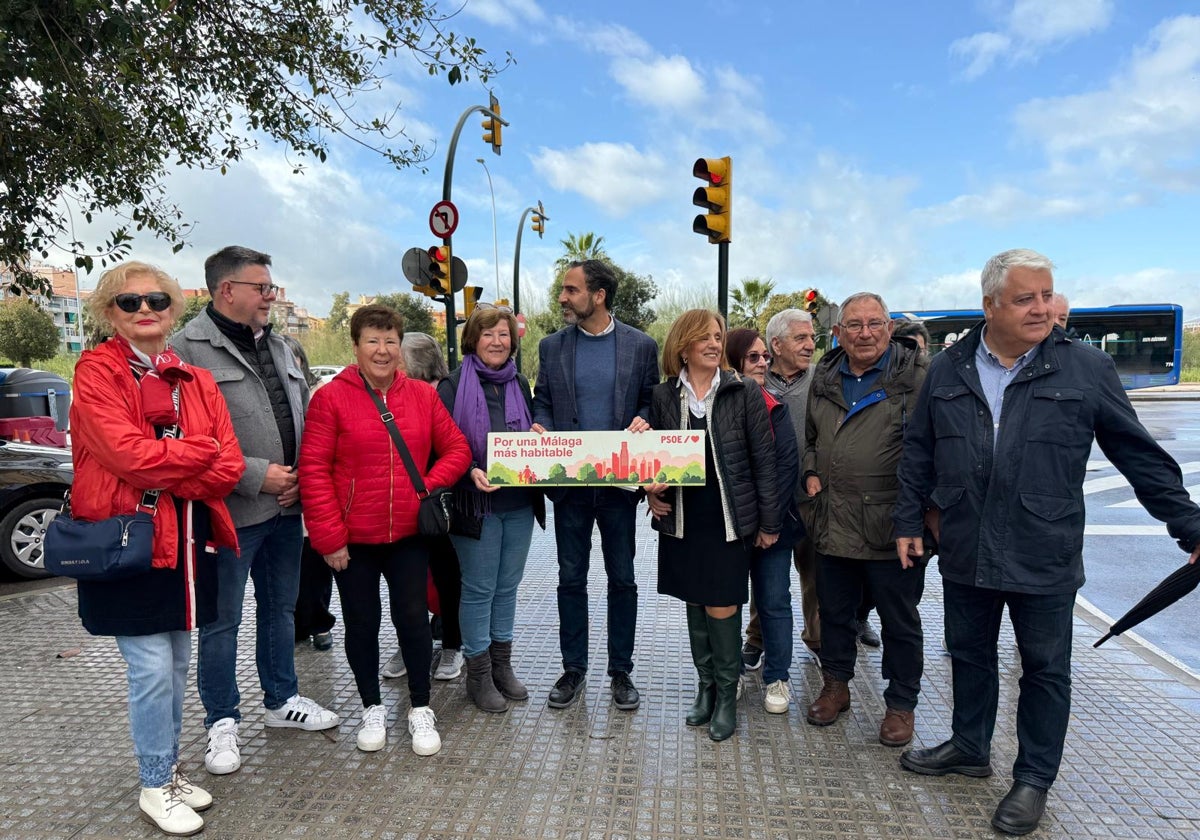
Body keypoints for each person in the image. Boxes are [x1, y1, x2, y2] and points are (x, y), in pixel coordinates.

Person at [894, 248, 1200, 836]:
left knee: (1044, 670)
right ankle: (968, 746)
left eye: (1045, 295)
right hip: (965, 545)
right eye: (1024, 299)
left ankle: (1034, 778)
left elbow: (1138, 455)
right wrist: (909, 521)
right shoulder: (949, 367)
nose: (1041, 309)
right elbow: (920, 452)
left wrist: (1190, 524)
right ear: (990, 306)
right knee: (970, 656)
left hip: (1044, 547)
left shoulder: (1084, 368)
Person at [70, 261, 244, 835]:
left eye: (157, 300)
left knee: (175, 663)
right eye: (129, 302)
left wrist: (179, 463)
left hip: (189, 540)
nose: (145, 309)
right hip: (129, 539)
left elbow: (231, 466)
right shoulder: (96, 372)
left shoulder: (194, 379)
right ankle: (152, 781)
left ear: (173, 308)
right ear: (108, 312)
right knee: (149, 669)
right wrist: (197, 453)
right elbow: (126, 456)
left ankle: (167, 772)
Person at [174, 246, 339, 777]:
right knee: (222, 621)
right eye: (262, 287)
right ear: (227, 291)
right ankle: (221, 721)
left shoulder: (286, 346)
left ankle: (280, 701)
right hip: (228, 513)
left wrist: (303, 480)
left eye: (270, 286)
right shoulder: (186, 351)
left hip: (288, 509)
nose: (271, 295)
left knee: (281, 609)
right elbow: (185, 442)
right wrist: (255, 475)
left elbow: (306, 413)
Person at [299, 305, 471, 754]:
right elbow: (314, 471)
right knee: (361, 622)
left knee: (413, 619)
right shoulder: (330, 399)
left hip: (409, 535)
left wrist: (427, 488)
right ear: (355, 347)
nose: (382, 350)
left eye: (390, 340)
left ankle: (420, 708)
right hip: (352, 539)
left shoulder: (421, 396)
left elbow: (457, 449)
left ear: (400, 347)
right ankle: (371, 706)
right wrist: (329, 538)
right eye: (373, 340)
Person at [646, 310, 780, 741]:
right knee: (694, 603)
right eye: (703, 336)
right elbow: (653, 458)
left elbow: (765, 462)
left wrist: (768, 522)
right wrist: (648, 492)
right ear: (683, 345)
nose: (713, 343)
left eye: (718, 336)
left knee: (722, 604)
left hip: (727, 519)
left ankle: (726, 696)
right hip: (683, 518)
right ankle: (705, 689)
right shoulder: (664, 395)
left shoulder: (743, 393)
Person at [532, 259, 660, 711]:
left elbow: (651, 399)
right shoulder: (551, 347)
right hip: (569, 486)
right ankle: (574, 669)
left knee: (622, 579)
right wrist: (541, 426)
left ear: (598, 295)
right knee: (571, 579)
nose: (563, 298)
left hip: (620, 488)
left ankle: (620, 671)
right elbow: (542, 401)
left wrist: (648, 419)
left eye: (571, 290)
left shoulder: (641, 346)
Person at [803, 292, 929, 749]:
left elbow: (930, 449)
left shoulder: (916, 377)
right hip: (833, 518)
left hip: (893, 526)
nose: (865, 333)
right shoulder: (826, 373)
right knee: (835, 613)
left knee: (900, 620)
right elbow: (812, 438)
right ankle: (836, 686)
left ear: (889, 327)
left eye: (874, 323)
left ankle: (900, 704)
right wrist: (811, 470)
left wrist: (917, 516)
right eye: (854, 325)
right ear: (839, 332)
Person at [438, 306, 545, 712]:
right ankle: (478, 673)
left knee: (507, 587)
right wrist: (468, 470)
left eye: (503, 334)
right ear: (473, 340)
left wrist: (538, 433)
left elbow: (534, 430)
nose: (497, 342)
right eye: (488, 334)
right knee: (479, 588)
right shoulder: (451, 385)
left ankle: (503, 666)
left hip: (518, 502)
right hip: (474, 504)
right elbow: (441, 443)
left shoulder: (518, 381)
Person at [376, 332, 466, 683]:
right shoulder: (389, 393)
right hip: (399, 503)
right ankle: (413, 642)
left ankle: (451, 644)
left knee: (446, 576)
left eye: (397, 357)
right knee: (406, 581)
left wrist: (429, 484)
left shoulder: (441, 392)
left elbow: (454, 446)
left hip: (436, 501)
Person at [725, 328, 801, 714]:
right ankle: (732, 672)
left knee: (774, 601)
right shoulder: (720, 407)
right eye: (752, 357)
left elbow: (785, 468)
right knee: (730, 602)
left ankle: (777, 677)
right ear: (734, 360)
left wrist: (769, 526)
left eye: (764, 357)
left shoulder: (775, 404)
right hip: (731, 528)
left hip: (773, 529)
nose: (762, 363)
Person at [849, 317, 933, 650]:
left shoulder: (928, 383)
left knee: (904, 607)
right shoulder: (869, 385)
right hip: (868, 512)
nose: (915, 360)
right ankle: (860, 619)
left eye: (921, 353)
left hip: (915, 511)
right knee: (865, 588)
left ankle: (901, 697)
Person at [744, 309, 818, 667]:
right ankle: (757, 639)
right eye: (801, 338)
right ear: (777, 344)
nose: (810, 345)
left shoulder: (822, 380)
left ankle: (817, 641)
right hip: (769, 502)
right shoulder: (755, 381)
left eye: (812, 338)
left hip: (812, 499)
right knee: (768, 580)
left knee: (815, 575)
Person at [281, 334, 336, 653]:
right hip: (281, 495)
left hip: (314, 498)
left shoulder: (318, 394)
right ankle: (295, 624)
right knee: (289, 570)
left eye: (293, 360)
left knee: (316, 571)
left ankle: (318, 624)